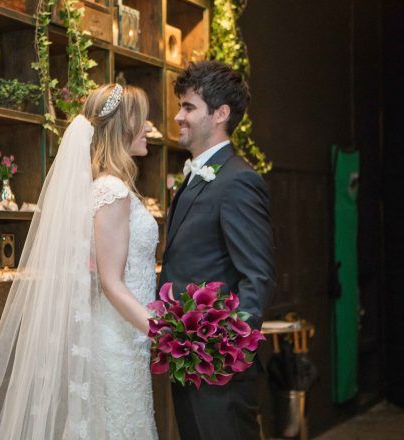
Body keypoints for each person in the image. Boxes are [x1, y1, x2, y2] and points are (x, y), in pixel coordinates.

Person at [0, 84, 159, 439]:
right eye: (141, 120)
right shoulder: (113, 192)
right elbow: (111, 282)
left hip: (124, 333)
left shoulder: (104, 187)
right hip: (120, 337)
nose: (147, 129)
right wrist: (163, 331)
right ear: (123, 128)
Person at [159, 60, 275, 439]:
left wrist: (226, 356)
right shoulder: (196, 176)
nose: (178, 116)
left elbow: (257, 276)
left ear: (220, 114)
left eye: (188, 107)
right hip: (187, 363)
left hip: (219, 375)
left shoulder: (239, 180)